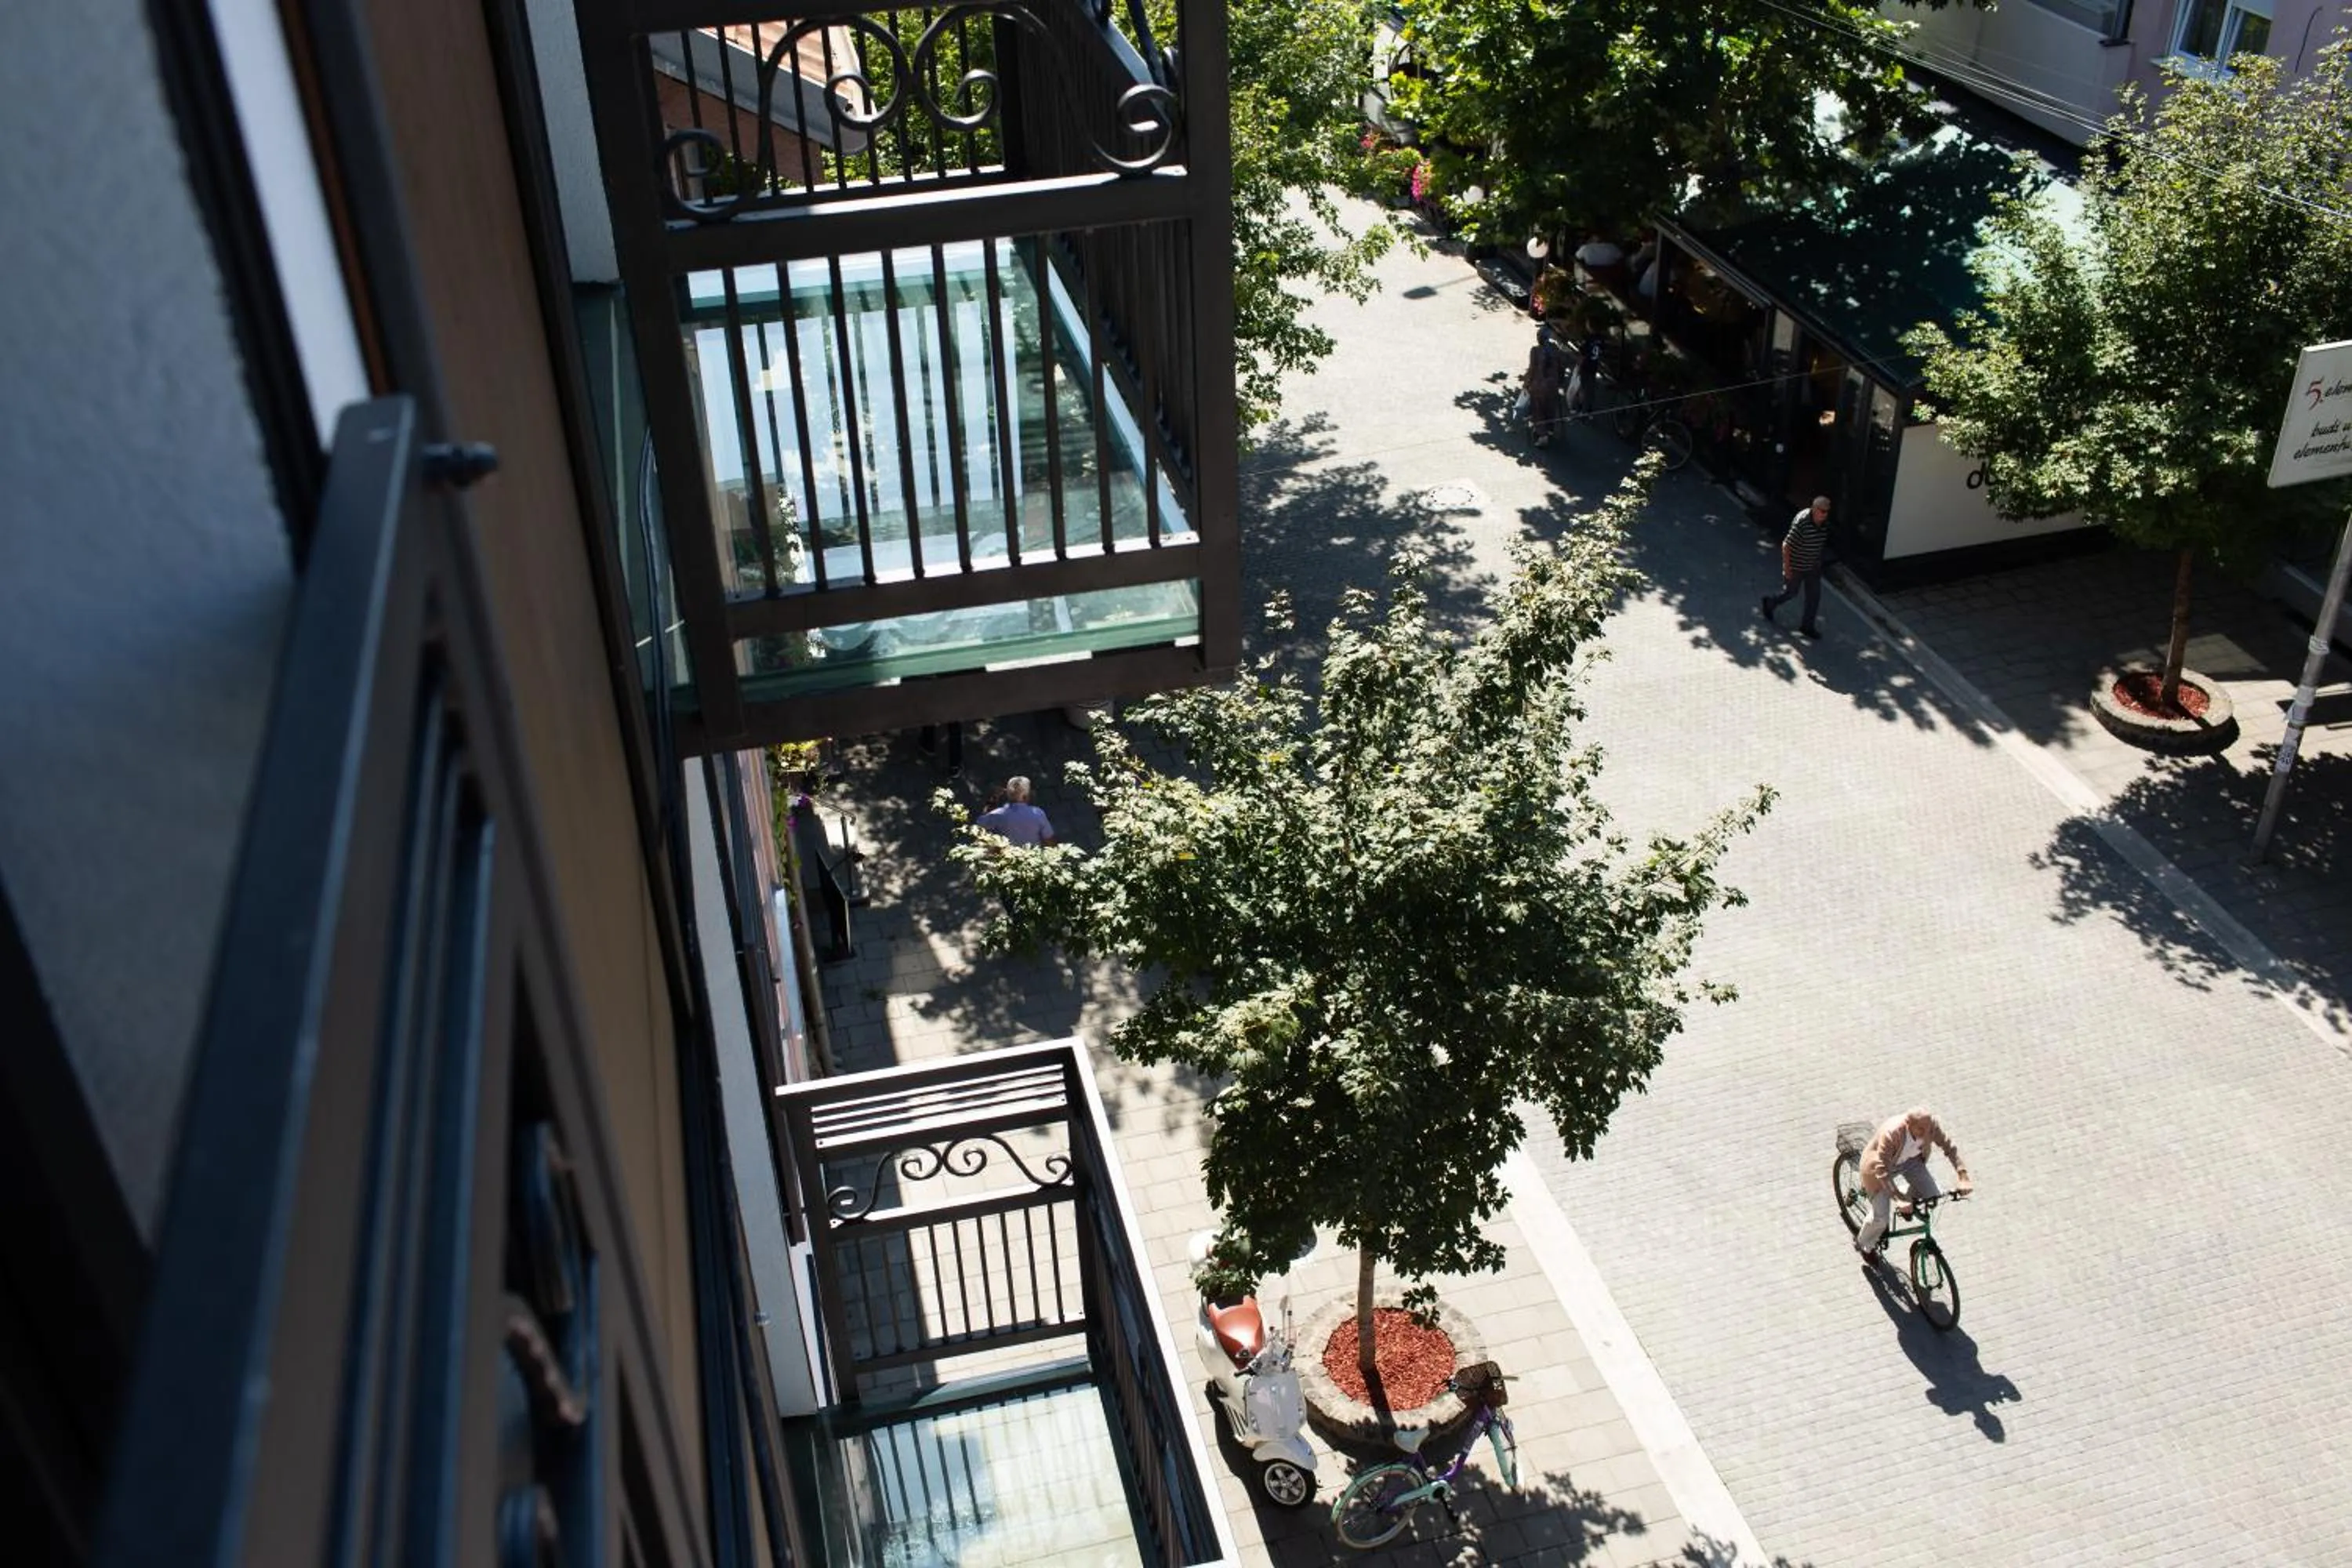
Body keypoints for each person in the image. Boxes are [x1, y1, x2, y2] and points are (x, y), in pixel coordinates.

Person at [1856, 1106, 1973, 1258]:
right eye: (1920, 1129)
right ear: (1908, 1124)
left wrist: (1963, 1176)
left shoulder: (1930, 1127)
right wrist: (1897, 1199)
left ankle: (1904, 1198)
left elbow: (1949, 1148)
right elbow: (1882, 1170)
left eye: (1928, 1129)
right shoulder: (1892, 1134)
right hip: (1879, 1169)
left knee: (1932, 1194)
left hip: (1910, 1162)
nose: (1925, 1134)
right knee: (1880, 1218)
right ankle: (1865, 1244)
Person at [1761, 494, 1831, 640]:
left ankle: (1807, 626)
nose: (1825, 515)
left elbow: (1820, 543)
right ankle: (1770, 602)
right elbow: (1787, 545)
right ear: (1814, 509)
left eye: (1827, 512)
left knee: (1814, 597)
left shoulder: (1824, 524)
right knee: (1791, 593)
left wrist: (1817, 560)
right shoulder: (1802, 524)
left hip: (1812, 566)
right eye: (1822, 511)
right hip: (1796, 565)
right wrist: (1787, 568)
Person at [1520, 325, 1569, 446]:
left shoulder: (1535, 351)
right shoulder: (1556, 351)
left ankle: (1542, 436)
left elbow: (1532, 369)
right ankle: (1549, 430)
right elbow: (1562, 367)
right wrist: (1560, 382)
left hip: (1538, 385)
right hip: (1552, 385)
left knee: (1538, 410)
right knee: (1550, 408)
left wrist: (1526, 384)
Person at [976, 775, 1055, 848]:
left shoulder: (998, 814)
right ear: (1026, 796)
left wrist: (993, 799)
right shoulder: (1038, 813)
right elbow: (1049, 839)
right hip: (1032, 856)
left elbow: (980, 825)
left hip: (1007, 857)